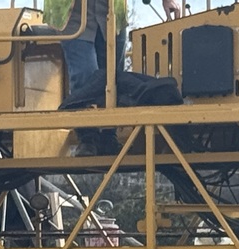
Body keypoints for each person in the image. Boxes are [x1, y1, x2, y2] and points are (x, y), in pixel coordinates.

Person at [51, 0, 182, 156]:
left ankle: (109, 136)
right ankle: (87, 138)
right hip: (72, 13)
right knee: (84, 75)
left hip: (112, 13)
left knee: (113, 79)